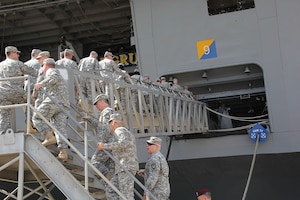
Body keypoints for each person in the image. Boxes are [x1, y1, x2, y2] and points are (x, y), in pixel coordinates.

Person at [32, 58, 70, 162]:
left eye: (42, 66)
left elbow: (53, 78)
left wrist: (40, 84)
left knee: (37, 117)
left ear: (45, 65)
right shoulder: (56, 72)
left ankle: (49, 137)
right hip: (63, 104)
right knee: (60, 128)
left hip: (54, 101)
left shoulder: (51, 71)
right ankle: (63, 152)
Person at [97, 113, 139, 200]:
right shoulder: (123, 131)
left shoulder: (120, 130)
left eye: (109, 123)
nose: (109, 125)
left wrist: (104, 146)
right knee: (111, 190)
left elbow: (123, 143)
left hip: (126, 167)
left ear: (113, 122)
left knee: (126, 194)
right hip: (122, 167)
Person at [82, 94, 116, 199]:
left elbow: (106, 129)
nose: (96, 106)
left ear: (102, 101)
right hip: (109, 145)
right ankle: (109, 187)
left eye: (97, 104)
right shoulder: (106, 113)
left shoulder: (107, 112)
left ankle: (107, 176)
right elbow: (100, 125)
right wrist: (89, 119)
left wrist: (103, 144)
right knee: (111, 167)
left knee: (94, 162)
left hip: (106, 144)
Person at [0, 46, 38, 135]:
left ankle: (2, 132)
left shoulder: (0, 65)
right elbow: (33, 72)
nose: (18, 55)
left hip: (2, 93)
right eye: (17, 53)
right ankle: (29, 124)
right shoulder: (17, 63)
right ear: (12, 53)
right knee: (32, 102)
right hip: (16, 92)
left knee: (4, 113)